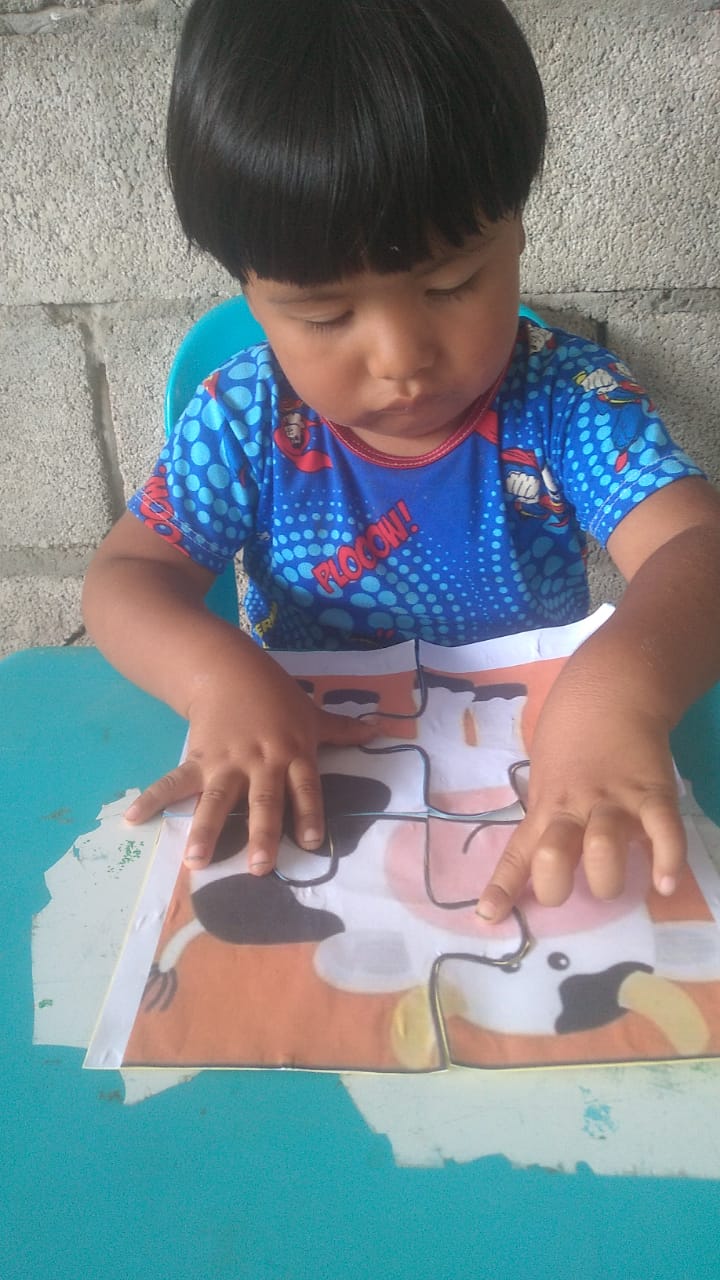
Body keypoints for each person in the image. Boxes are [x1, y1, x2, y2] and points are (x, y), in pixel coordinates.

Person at [82, 0, 720, 924]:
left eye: (452, 283)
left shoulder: (567, 398)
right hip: (310, 766)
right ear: (250, 294)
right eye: (326, 314)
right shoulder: (248, 419)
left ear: (517, 228)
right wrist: (218, 681)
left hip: (549, 762)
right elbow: (127, 577)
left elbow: (696, 549)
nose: (400, 358)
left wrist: (620, 692)